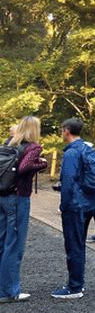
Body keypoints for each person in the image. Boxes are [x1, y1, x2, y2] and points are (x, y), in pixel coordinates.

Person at [0, 116, 47, 303]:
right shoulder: (33, 147)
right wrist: (42, 163)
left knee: (2, 242)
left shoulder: (7, 144)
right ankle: (9, 291)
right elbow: (25, 167)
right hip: (18, 198)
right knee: (14, 245)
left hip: (2, 195)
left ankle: (3, 288)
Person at [52, 118, 95, 299]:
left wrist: (63, 205)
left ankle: (74, 287)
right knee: (80, 244)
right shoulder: (86, 148)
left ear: (66, 131)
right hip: (87, 203)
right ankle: (78, 283)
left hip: (74, 205)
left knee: (73, 246)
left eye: (62, 130)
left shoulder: (71, 153)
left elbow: (68, 182)